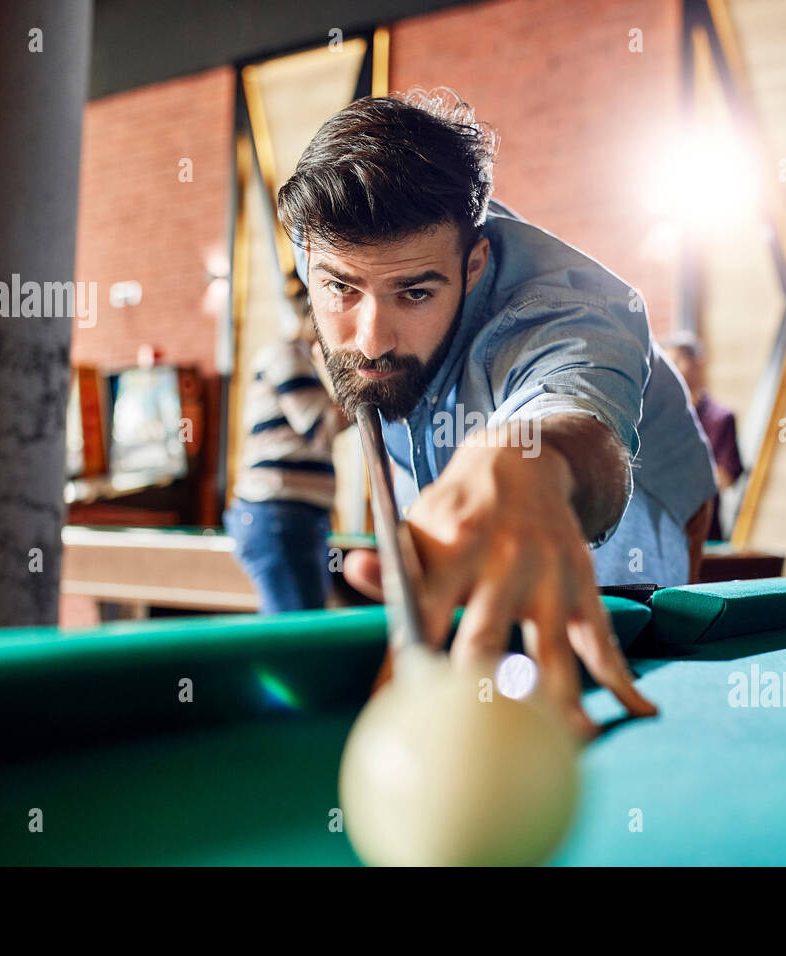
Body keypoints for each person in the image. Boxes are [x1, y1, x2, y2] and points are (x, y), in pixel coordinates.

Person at [276, 89, 716, 733]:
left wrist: (526, 459)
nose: (371, 338)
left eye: (415, 292)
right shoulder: (320, 233)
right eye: (341, 287)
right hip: (441, 454)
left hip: (633, 516)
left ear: (474, 265)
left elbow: (575, 406)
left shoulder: (572, 310)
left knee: (573, 695)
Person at [224, 281, 348, 613]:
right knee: (298, 636)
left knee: (300, 628)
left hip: (286, 515)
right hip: (278, 515)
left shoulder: (298, 357)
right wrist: (370, 395)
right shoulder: (287, 354)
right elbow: (319, 429)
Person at [662, 332, 742, 545]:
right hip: (665, 532)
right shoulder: (660, 417)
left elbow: (725, 478)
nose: (672, 370)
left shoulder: (720, 418)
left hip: (706, 535)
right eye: (667, 363)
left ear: (698, 363)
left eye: (678, 361)